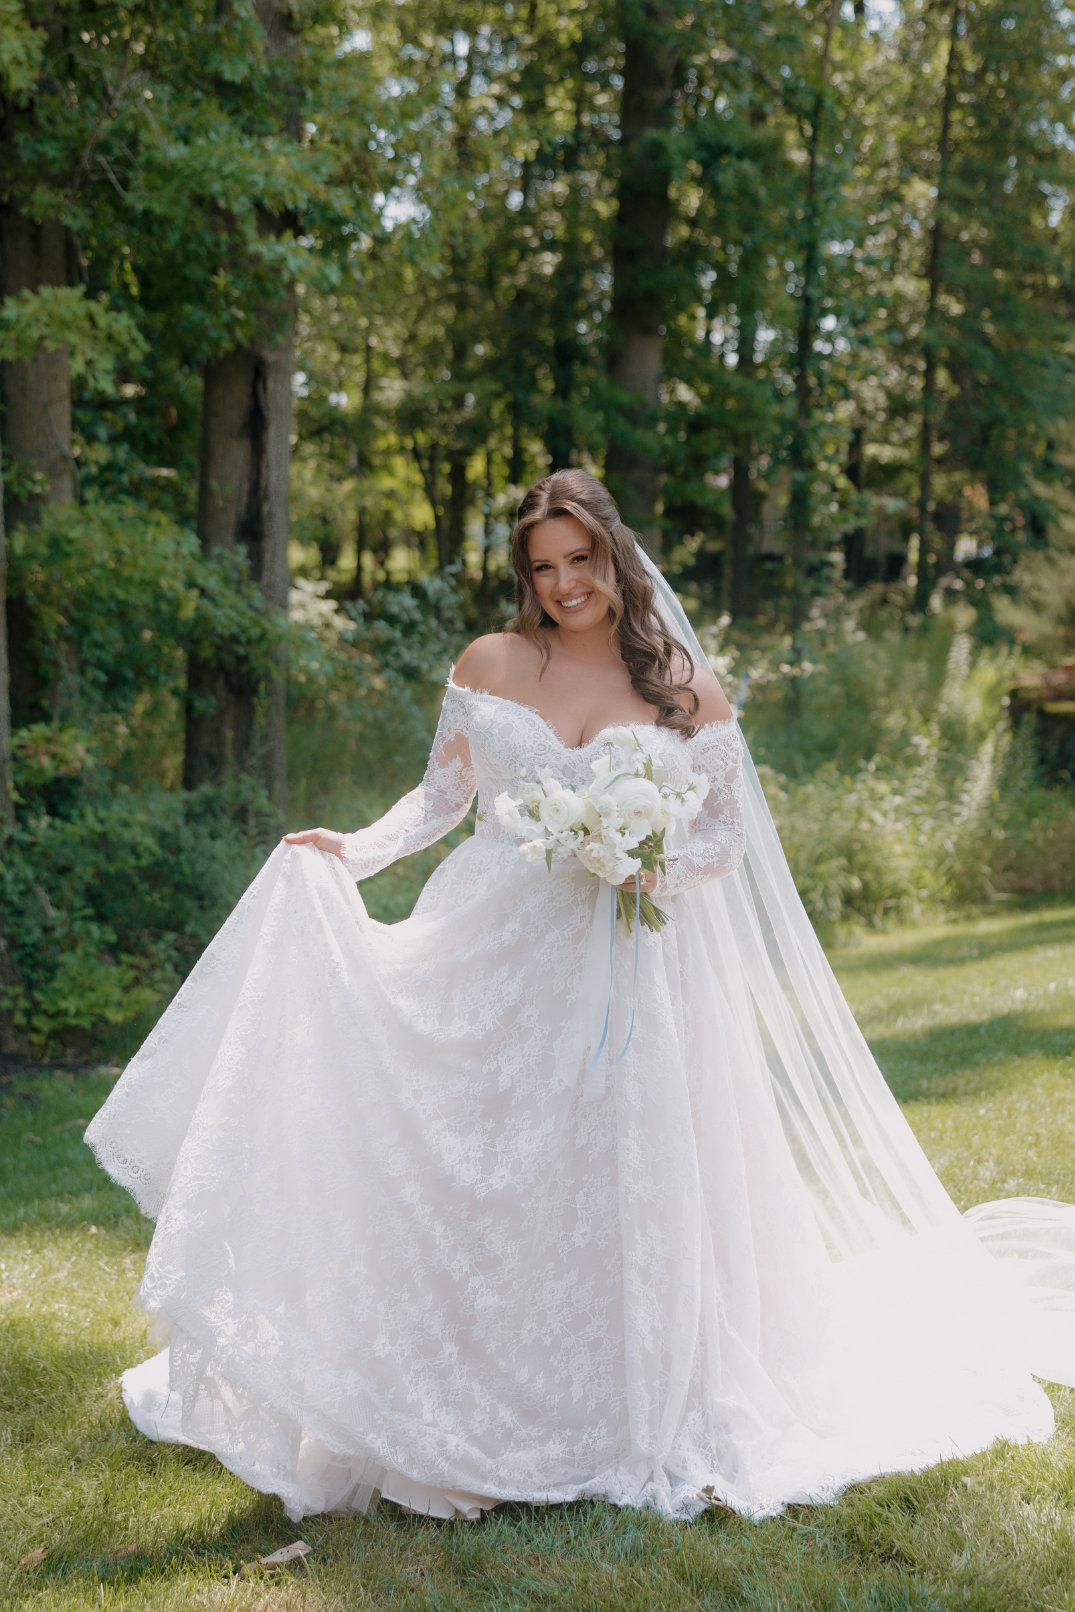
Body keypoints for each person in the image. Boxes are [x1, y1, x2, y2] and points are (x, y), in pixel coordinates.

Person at [86, 469, 1075, 1525]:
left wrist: (648, 864)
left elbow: (722, 836)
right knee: (473, 1170)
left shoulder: (681, 684)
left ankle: (615, 1397)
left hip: (623, 966)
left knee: (614, 1171)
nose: (563, 584)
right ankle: (438, 1398)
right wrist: (353, 850)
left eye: (580, 560)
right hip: (485, 949)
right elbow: (441, 797)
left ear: (615, 555)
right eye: (542, 566)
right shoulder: (490, 661)